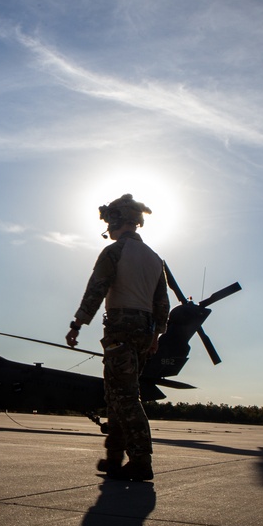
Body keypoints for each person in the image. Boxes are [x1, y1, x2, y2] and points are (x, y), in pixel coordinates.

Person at [66, 194, 169, 481]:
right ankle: (113, 458)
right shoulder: (153, 258)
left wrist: (77, 324)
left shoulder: (114, 252)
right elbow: (163, 303)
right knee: (115, 395)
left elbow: (96, 289)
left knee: (124, 397)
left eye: (110, 222)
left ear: (118, 221)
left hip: (121, 328)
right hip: (144, 331)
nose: (108, 230)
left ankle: (141, 459)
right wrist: (156, 335)